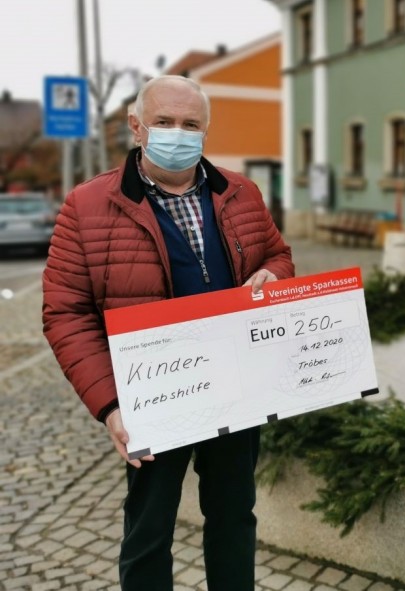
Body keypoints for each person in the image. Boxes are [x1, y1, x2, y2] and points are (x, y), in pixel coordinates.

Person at [42, 75, 295, 591]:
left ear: (205, 132)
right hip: (151, 396)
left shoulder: (240, 191)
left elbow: (277, 253)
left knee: (233, 516)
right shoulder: (88, 206)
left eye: (190, 124)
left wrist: (275, 276)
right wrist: (111, 405)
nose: (177, 133)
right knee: (148, 530)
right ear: (137, 127)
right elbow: (65, 312)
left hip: (235, 386)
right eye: (164, 122)